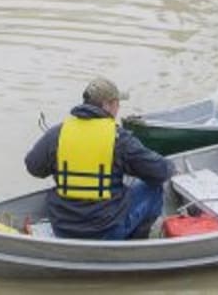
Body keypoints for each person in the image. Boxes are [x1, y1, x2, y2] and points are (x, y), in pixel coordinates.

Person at [25, 77, 174, 239]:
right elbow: (159, 172)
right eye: (117, 104)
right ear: (107, 105)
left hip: (63, 228)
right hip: (107, 231)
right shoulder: (119, 139)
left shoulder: (58, 133)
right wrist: (171, 166)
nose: (118, 109)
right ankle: (134, 243)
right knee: (153, 189)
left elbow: (33, 167)